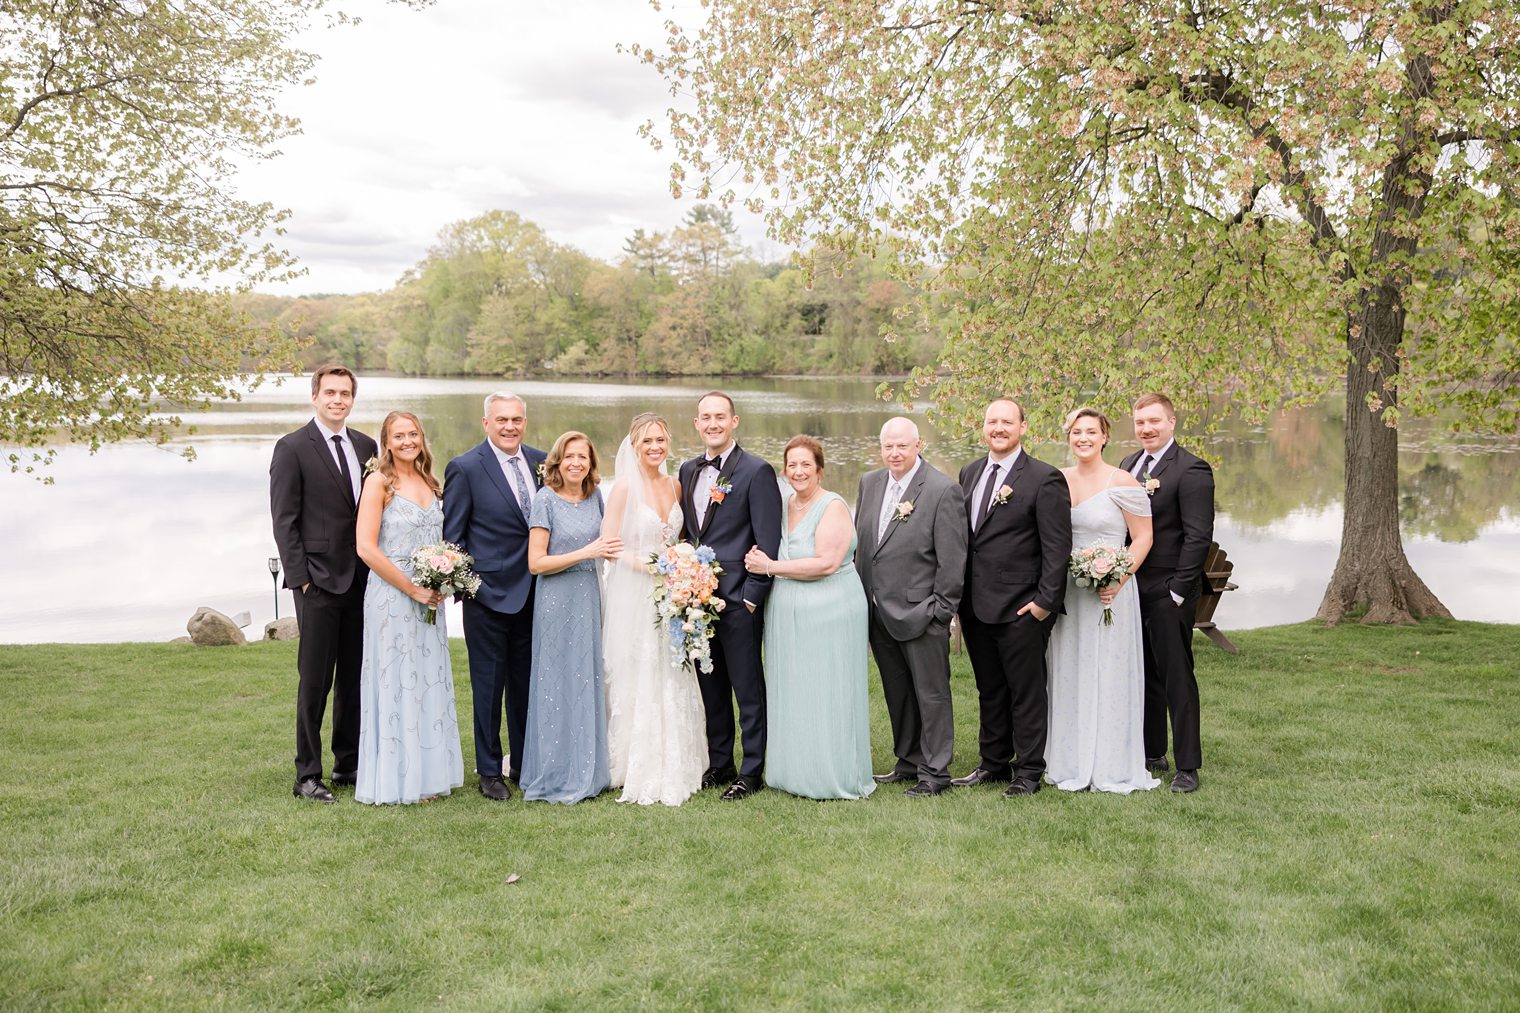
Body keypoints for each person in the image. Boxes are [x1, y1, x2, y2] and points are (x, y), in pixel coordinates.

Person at [269, 364, 378, 804]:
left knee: (354, 676)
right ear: (314, 396)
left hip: (361, 580)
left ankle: (347, 763)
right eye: (330, 392)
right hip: (316, 582)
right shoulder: (292, 447)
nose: (338, 400)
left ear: (353, 399)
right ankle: (307, 775)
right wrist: (301, 581)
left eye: (345, 393)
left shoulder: (367, 446)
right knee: (315, 680)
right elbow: (284, 520)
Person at [743, 436, 874, 800]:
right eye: (792, 465)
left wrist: (769, 566)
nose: (798, 471)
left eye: (806, 465)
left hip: (830, 610)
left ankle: (831, 775)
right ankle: (793, 771)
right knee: (794, 690)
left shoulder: (832, 506)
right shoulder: (782, 504)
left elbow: (826, 563)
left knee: (826, 689)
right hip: (786, 612)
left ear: (820, 469)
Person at [953, 398, 1072, 798]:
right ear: (982, 427)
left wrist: (1044, 603)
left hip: (1023, 607)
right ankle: (993, 763)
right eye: (992, 421)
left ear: (1023, 427)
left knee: (1026, 690)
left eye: (1007, 421)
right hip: (974, 604)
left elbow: (1057, 548)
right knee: (990, 688)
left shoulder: (1044, 477)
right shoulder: (969, 473)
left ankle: (1029, 770)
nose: (998, 428)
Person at [352, 412, 465, 804]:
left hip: (427, 597)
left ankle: (428, 775)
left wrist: (444, 579)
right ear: (386, 442)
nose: (407, 441)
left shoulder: (432, 483)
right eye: (398, 435)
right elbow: (366, 548)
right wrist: (411, 588)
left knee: (426, 679)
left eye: (413, 433)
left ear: (421, 438)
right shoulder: (378, 483)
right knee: (396, 679)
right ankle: (399, 779)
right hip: (390, 595)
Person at [1045, 408, 1159, 794]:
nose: (1083, 438)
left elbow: (1142, 538)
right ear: (1069, 437)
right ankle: (1068, 759)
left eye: (1091, 432)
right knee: (1069, 667)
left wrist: (1119, 578)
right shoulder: (1058, 480)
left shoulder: (1122, 480)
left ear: (1105, 436)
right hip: (1070, 594)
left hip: (1112, 594)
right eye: (1077, 432)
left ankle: (1111, 762)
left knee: (1108, 671)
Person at [676, 392, 783, 801]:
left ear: (734, 421)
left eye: (720, 416)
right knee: (711, 685)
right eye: (706, 417)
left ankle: (752, 771)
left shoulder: (756, 471)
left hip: (739, 600)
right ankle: (721, 764)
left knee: (747, 688)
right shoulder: (687, 470)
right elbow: (691, 533)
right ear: (697, 424)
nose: (713, 423)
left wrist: (753, 597)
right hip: (697, 602)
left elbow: (767, 538)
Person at [855, 417, 967, 797]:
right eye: (888, 446)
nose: (894, 453)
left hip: (923, 614)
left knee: (931, 695)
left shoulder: (941, 489)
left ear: (918, 444)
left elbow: (953, 561)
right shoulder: (870, 483)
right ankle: (908, 760)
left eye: (902, 445)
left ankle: (936, 772)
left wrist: (940, 612)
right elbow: (867, 546)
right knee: (897, 691)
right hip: (878, 611)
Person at [442, 392, 546, 802]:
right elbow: (454, 541)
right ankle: (489, 770)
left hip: (536, 592)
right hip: (486, 598)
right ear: (486, 423)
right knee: (488, 687)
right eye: (501, 419)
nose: (509, 426)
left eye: (516, 419)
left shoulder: (542, 461)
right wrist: (473, 590)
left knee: (525, 685)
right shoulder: (465, 468)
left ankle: (520, 762)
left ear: (525, 421)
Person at [601, 413, 707, 806]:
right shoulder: (625, 488)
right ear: (633, 445)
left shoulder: (675, 485)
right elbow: (609, 544)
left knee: (671, 668)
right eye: (647, 441)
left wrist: (681, 567)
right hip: (636, 591)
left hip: (672, 592)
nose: (655, 447)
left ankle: (678, 758)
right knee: (638, 669)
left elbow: (679, 538)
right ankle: (632, 762)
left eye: (660, 440)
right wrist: (651, 566)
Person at [1119, 393, 1215, 793]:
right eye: (1141, 422)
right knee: (1143, 672)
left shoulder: (1192, 469)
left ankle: (1187, 766)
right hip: (1131, 586)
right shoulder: (1127, 465)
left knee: (1177, 675)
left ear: (1172, 422)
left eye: (1155, 421)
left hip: (1169, 588)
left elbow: (1198, 537)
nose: (1147, 429)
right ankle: (1152, 750)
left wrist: (1178, 591)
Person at [521, 432, 621, 804]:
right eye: (569, 457)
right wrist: (587, 552)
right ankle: (553, 770)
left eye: (583, 456)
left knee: (586, 676)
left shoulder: (595, 496)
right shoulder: (545, 499)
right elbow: (537, 563)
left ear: (591, 463)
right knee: (555, 681)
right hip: (556, 599)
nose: (576, 463)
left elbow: (608, 543)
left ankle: (588, 769)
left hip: (588, 597)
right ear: (557, 462)